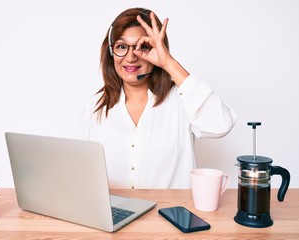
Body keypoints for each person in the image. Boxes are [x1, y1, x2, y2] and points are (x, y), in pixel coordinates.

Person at [78, 7, 236, 189]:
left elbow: (221, 124)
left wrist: (168, 62)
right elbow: (83, 173)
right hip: (115, 215)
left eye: (142, 47)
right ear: (111, 52)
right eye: (122, 46)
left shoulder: (182, 99)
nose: (130, 57)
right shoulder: (94, 108)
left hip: (171, 215)